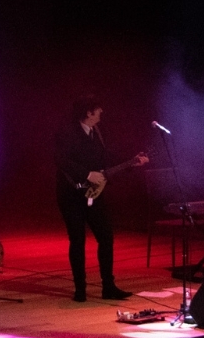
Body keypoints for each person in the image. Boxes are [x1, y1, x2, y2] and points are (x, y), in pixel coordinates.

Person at [54, 96, 147, 301]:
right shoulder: (67, 132)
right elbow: (60, 160)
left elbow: (106, 157)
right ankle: (80, 289)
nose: (101, 112)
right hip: (71, 195)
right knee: (77, 240)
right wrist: (87, 174)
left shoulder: (96, 131)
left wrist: (131, 162)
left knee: (106, 236)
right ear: (88, 112)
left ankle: (108, 287)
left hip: (94, 194)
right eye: (98, 110)